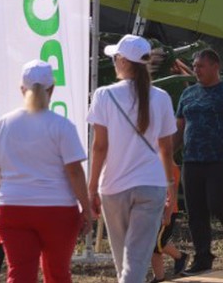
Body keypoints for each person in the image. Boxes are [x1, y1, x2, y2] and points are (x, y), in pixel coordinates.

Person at [88, 35, 180, 283]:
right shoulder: (161, 97)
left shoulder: (103, 95)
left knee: (125, 264)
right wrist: (170, 187)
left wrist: (91, 187)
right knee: (135, 263)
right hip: (152, 186)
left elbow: (99, 147)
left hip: (113, 186)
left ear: (121, 60)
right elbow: (166, 147)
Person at [0, 61, 94, 283]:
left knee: (19, 273)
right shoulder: (62, 126)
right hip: (57, 211)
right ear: (52, 89)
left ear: (22, 89)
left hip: (11, 209)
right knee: (57, 273)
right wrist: (86, 209)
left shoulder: (2, 126)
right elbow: (75, 172)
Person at [173, 49, 223, 274]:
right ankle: (203, 258)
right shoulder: (188, 95)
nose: (196, 70)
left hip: (221, 160)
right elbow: (179, 129)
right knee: (195, 211)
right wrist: (166, 155)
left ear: (215, 66)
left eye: (201, 66)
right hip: (192, 161)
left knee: (218, 203)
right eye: (195, 66)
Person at [150, 164, 188, 283]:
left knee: (158, 243)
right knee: (154, 246)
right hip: (155, 210)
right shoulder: (154, 165)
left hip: (167, 211)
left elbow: (172, 193)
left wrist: (167, 213)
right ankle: (159, 277)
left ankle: (180, 256)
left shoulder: (170, 167)